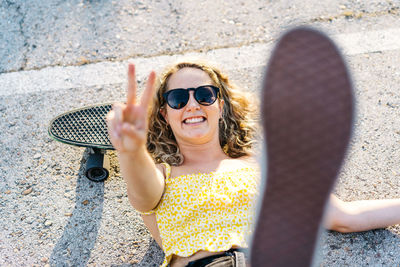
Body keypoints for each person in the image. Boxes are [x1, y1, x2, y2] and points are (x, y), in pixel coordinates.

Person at [106, 31, 400, 266]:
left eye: (205, 95)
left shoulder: (262, 166)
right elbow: (143, 197)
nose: (193, 104)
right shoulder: (159, 175)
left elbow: (344, 217)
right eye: (178, 98)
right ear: (164, 115)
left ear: (220, 107)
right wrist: (131, 151)